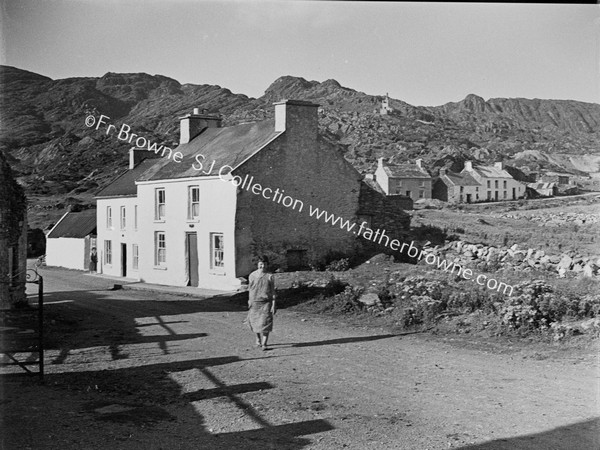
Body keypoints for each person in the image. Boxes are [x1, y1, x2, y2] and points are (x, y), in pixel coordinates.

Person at [246, 256, 276, 350]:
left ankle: (264, 344)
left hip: (266, 303)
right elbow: (250, 290)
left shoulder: (270, 276)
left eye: (264, 264)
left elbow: (273, 292)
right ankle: (258, 340)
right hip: (255, 302)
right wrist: (249, 301)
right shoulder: (252, 275)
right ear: (257, 265)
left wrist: (274, 305)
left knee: (265, 322)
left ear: (267, 264)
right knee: (255, 322)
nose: (262, 266)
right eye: (260, 264)